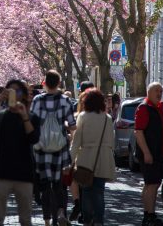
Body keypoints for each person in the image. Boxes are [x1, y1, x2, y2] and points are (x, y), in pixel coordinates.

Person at [0, 80, 40, 226]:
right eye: (10, 91)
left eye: (17, 91)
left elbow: (33, 139)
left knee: (25, 219)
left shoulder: (32, 117)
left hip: (24, 173)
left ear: (23, 95)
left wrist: (24, 116)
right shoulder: (0, 116)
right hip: (2, 172)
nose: (14, 94)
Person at [31, 70, 77, 226]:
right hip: (60, 148)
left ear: (44, 83)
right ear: (59, 83)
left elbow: (32, 122)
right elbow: (72, 125)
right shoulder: (65, 100)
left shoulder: (37, 100)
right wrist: (66, 130)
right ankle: (61, 212)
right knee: (60, 184)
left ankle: (47, 221)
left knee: (45, 185)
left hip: (41, 148)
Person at [70, 89, 116, 226]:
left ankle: (88, 219)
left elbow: (76, 142)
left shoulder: (83, 117)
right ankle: (99, 221)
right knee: (99, 192)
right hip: (103, 159)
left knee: (87, 191)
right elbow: (111, 141)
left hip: (86, 159)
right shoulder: (107, 118)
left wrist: (70, 161)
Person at [134, 82, 163, 226]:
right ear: (149, 92)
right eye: (156, 90)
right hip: (150, 154)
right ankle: (149, 216)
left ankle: (148, 215)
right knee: (152, 184)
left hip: (157, 153)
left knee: (151, 184)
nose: (159, 93)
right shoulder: (144, 108)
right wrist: (147, 153)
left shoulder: (157, 108)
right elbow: (138, 132)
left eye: (161, 91)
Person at [68, 81, 94, 222]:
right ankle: (87, 213)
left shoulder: (76, 108)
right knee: (90, 184)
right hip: (92, 151)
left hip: (78, 149)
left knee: (78, 180)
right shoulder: (97, 107)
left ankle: (78, 204)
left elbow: (73, 130)